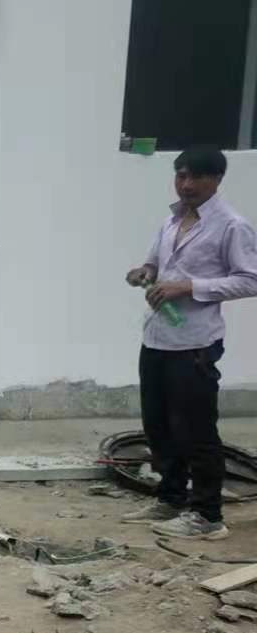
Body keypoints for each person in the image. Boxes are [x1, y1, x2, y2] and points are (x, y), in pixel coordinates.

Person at [123, 147, 257, 540]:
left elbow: (250, 279)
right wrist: (144, 271)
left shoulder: (231, 226)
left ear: (217, 180)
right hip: (157, 337)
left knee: (195, 430)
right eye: (181, 175)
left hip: (195, 343)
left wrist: (189, 286)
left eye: (197, 177)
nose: (187, 184)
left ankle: (207, 516)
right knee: (158, 425)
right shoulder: (172, 219)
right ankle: (170, 498)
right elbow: (156, 264)